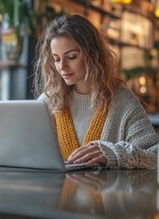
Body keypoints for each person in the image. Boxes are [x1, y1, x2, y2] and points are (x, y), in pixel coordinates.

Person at [34, 14, 159, 169]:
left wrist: (114, 153)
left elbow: (155, 155)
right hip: (59, 193)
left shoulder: (121, 101)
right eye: (56, 59)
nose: (62, 67)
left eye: (71, 57)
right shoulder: (48, 102)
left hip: (105, 193)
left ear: (92, 54)